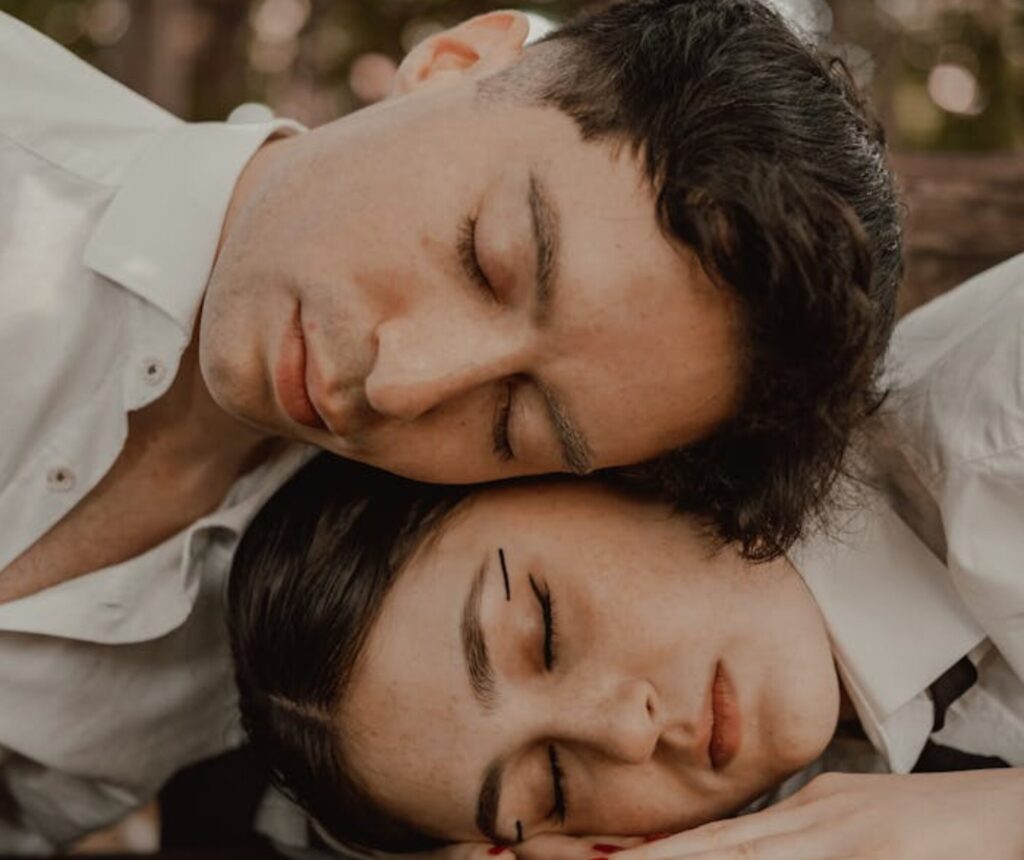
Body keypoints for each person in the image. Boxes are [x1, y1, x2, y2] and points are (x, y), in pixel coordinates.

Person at [0, 0, 900, 848]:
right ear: (453, 61)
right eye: (486, 258)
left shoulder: (323, 647)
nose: (400, 383)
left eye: (517, 419)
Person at [229, 254, 1024, 858]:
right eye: (554, 785)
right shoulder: (880, 771)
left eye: (543, 632)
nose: (624, 732)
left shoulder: (1004, 422)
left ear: (603, 467)